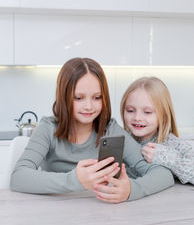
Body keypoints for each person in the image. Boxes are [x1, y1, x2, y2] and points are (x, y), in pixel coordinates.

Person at [10, 58, 174, 203]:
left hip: (98, 213)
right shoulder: (48, 128)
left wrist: (131, 190)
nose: (89, 106)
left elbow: (163, 174)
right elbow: (18, 177)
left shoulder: (110, 129)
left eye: (97, 97)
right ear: (64, 97)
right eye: (78, 98)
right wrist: (75, 180)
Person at [120, 76, 194, 188]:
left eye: (147, 112)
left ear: (163, 115)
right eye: (130, 110)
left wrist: (169, 159)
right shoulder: (119, 142)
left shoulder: (172, 145)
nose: (137, 117)